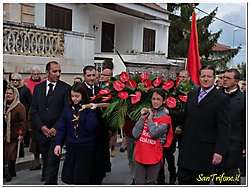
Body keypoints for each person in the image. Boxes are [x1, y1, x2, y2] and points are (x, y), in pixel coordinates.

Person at [165, 65, 231, 184]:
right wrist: (168, 112)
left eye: (209, 76)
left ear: (213, 78)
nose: (206, 79)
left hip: (204, 154)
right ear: (199, 78)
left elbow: (224, 128)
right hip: (186, 151)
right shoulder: (192, 94)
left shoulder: (221, 99)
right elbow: (185, 117)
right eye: (203, 76)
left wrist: (220, 152)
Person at [31, 61, 71, 184]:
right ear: (47, 72)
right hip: (42, 133)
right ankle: (51, 182)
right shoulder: (38, 88)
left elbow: (66, 111)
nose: (58, 74)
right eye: (55, 71)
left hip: (57, 134)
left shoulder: (65, 88)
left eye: (59, 71)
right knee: (47, 161)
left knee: (53, 160)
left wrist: (55, 128)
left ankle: (49, 184)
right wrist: (42, 127)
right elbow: (34, 110)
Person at [54, 84, 98, 184]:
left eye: (77, 96)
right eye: (72, 96)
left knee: (83, 177)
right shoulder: (68, 109)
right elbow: (62, 128)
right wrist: (58, 144)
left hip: (86, 146)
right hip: (72, 146)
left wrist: (91, 112)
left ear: (83, 96)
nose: (74, 99)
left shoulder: (88, 109)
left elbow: (91, 127)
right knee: (69, 176)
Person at [132, 88, 173, 184]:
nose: (155, 101)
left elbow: (154, 134)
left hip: (154, 155)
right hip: (140, 154)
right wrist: (142, 119)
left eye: (158, 99)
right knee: (139, 182)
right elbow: (135, 134)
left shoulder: (166, 118)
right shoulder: (146, 113)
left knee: (151, 182)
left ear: (163, 101)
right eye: (153, 99)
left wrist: (150, 119)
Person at [213, 68, 246, 184]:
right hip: (213, 146)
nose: (224, 80)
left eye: (228, 78)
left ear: (236, 81)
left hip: (233, 149)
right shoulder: (215, 96)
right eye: (223, 78)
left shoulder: (244, 100)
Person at [82, 65, 110, 184]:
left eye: (94, 75)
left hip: (99, 131)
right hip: (85, 131)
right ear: (84, 76)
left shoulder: (101, 91)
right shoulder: (79, 90)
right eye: (89, 75)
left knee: (98, 159)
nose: (92, 78)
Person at [24, 66, 45, 171]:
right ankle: (36, 163)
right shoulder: (26, 82)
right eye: (34, 74)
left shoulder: (43, 83)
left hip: (43, 114)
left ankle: (45, 165)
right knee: (34, 144)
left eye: (38, 74)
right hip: (32, 112)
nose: (36, 76)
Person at [4, 86, 26, 182]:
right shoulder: (3, 105)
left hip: (13, 135)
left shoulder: (19, 107)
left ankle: (9, 172)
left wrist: (21, 134)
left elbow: (22, 122)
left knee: (10, 154)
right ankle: (11, 170)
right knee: (4, 154)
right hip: (4, 134)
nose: (8, 95)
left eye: (10, 93)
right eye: (7, 93)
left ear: (15, 95)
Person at [10, 72, 32, 156]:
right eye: (13, 80)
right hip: (11, 115)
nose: (15, 81)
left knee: (21, 133)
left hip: (23, 114)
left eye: (17, 80)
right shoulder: (9, 89)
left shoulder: (25, 90)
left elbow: (30, 102)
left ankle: (21, 150)